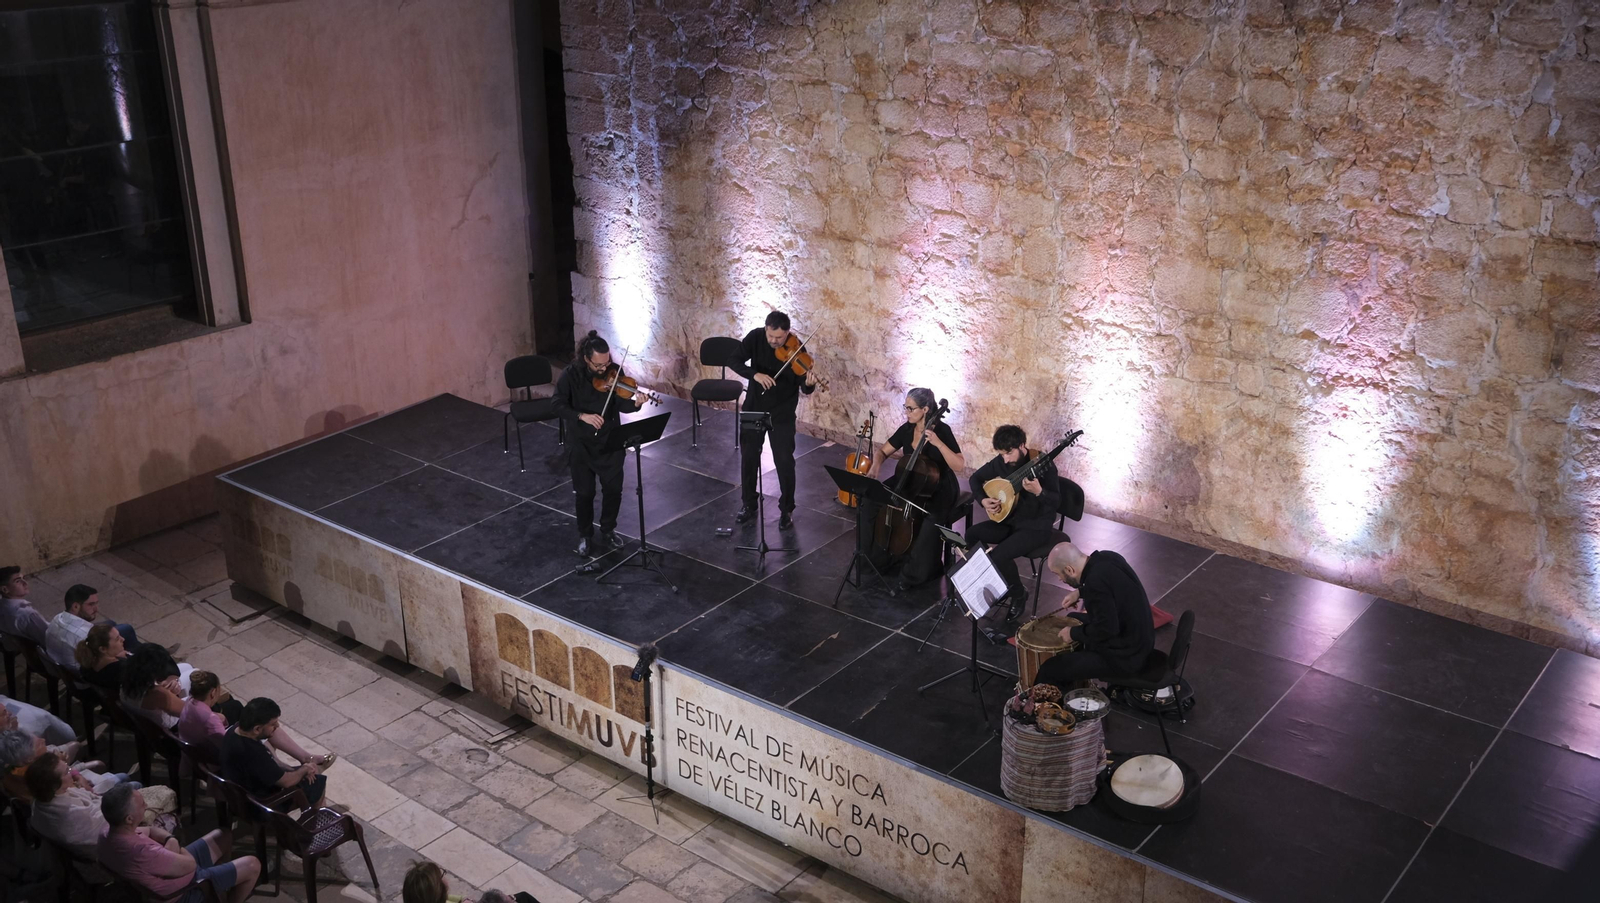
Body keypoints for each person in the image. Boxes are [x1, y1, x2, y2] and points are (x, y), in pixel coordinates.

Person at [551, 330, 642, 557]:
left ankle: (609, 530)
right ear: (586, 359)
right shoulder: (570, 376)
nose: (604, 369)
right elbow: (557, 404)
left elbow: (621, 405)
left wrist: (636, 404)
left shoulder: (614, 373)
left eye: (607, 363)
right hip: (581, 443)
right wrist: (581, 416)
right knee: (585, 493)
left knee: (614, 490)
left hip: (610, 441)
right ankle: (585, 534)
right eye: (599, 365)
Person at [864, 387, 965, 589]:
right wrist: (876, 466)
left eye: (911, 409)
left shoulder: (942, 431)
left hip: (939, 484)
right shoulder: (907, 429)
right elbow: (882, 451)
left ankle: (915, 574)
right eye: (906, 408)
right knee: (871, 499)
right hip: (910, 479)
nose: (907, 413)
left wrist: (938, 444)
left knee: (931, 518)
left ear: (926, 409)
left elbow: (959, 465)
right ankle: (875, 557)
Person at [729, 311, 819, 529]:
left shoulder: (797, 348)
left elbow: (804, 387)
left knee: (784, 460)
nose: (774, 341)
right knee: (749, 456)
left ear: (787, 333)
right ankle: (749, 503)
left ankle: (787, 509)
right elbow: (733, 360)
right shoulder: (756, 337)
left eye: (779, 338)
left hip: (782, 412)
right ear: (766, 329)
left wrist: (810, 383)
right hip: (754, 406)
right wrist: (755, 375)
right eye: (771, 336)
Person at [98, 783, 261, 903]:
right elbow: (190, 864)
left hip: (172, 865)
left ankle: (218, 890)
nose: (146, 805)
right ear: (129, 818)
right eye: (142, 805)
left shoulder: (107, 833)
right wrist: (174, 847)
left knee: (223, 835)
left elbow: (151, 830)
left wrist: (170, 840)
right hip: (186, 890)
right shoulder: (141, 851)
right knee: (253, 865)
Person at [966, 425, 1063, 621]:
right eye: (1002, 454)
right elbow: (975, 478)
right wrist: (983, 500)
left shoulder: (1044, 465)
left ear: (1021, 445)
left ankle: (1018, 594)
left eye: (1009, 453)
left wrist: (1039, 492)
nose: (1006, 459)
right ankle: (999, 581)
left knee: (999, 556)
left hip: (1036, 527)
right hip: (1009, 521)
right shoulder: (1003, 462)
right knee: (972, 535)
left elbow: (1056, 502)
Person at [1033, 541, 1156, 690]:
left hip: (1127, 656)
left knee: (1050, 669)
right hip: (1141, 638)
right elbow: (1110, 588)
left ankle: (1047, 708)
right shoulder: (1107, 557)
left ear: (1069, 569)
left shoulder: (1094, 584)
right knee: (1074, 617)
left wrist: (1074, 633)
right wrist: (1080, 592)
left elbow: (1107, 629)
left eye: (1058, 574)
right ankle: (1073, 680)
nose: (1060, 579)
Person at [180, 672, 328, 768]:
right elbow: (229, 746)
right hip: (215, 757)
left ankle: (304, 758)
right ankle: (284, 767)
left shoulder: (190, 703)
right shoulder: (210, 719)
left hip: (199, 749)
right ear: (213, 693)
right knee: (263, 726)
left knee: (241, 711)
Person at [220, 697, 326, 807]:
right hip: (261, 804)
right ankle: (316, 821)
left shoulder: (234, 732)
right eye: (273, 724)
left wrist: (298, 770)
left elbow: (271, 768)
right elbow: (286, 782)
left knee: (307, 774)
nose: (277, 726)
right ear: (257, 729)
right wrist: (304, 769)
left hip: (242, 794)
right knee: (317, 782)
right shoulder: (253, 752)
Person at [24, 751, 113, 858]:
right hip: (104, 848)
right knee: (132, 784)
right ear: (54, 785)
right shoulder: (72, 813)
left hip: (103, 814)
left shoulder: (38, 801)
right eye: (66, 772)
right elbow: (111, 821)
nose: (71, 772)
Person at [45, 583, 139, 669]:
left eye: (96, 603)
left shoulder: (57, 618)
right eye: (91, 604)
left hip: (62, 666)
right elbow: (100, 662)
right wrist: (120, 655)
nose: (96, 609)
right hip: (83, 677)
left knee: (111, 623)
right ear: (75, 607)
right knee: (127, 630)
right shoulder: (86, 636)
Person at [121, 644, 194, 730]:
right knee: (195, 674)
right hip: (173, 724)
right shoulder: (157, 694)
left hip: (149, 713)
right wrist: (173, 694)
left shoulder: (127, 680)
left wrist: (172, 685)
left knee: (186, 666)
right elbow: (186, 711)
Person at [0, 566, 48, 647]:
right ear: (5, 589)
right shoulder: (28, 615)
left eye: (24, 578)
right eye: (18, 581)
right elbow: (48, 640)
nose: (26, 583)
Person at [76, 622, 131, 692]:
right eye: (117, 639)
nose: (123, 639)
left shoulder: (85, 666)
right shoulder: (123, 669)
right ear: (103, 649)